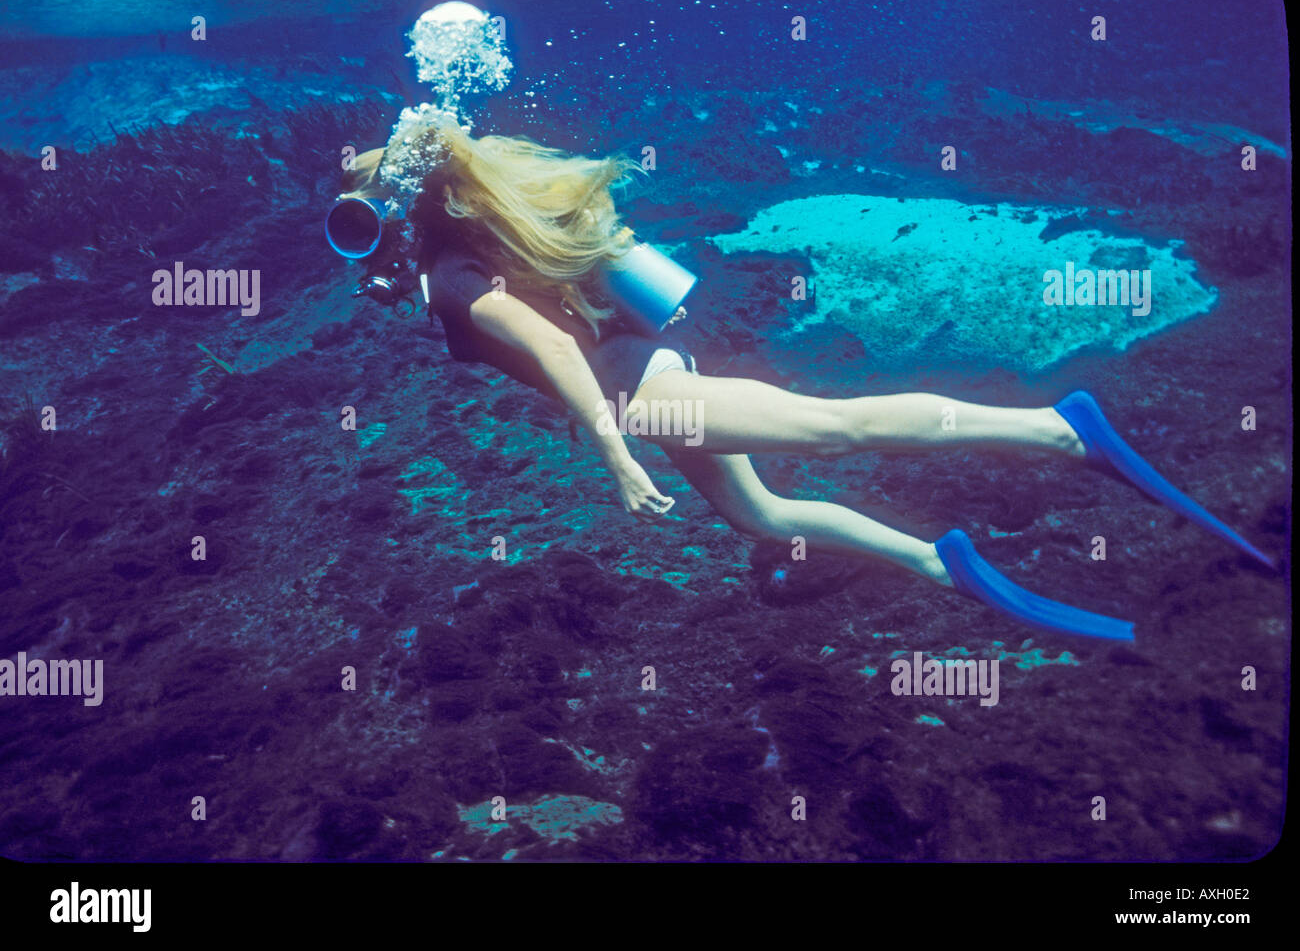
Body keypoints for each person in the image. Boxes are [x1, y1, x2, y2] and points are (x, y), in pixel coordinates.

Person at [331, 116, 1275, 641]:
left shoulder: (451, 284)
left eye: (360, 236)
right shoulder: (454, 253)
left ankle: (1059, 430)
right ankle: (934, 562)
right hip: (645, 374)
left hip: (641, 390)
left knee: (836, 426)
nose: (357, 264)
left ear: (396, 226)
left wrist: (618, 453)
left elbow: (558, 352)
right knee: (761, 516)